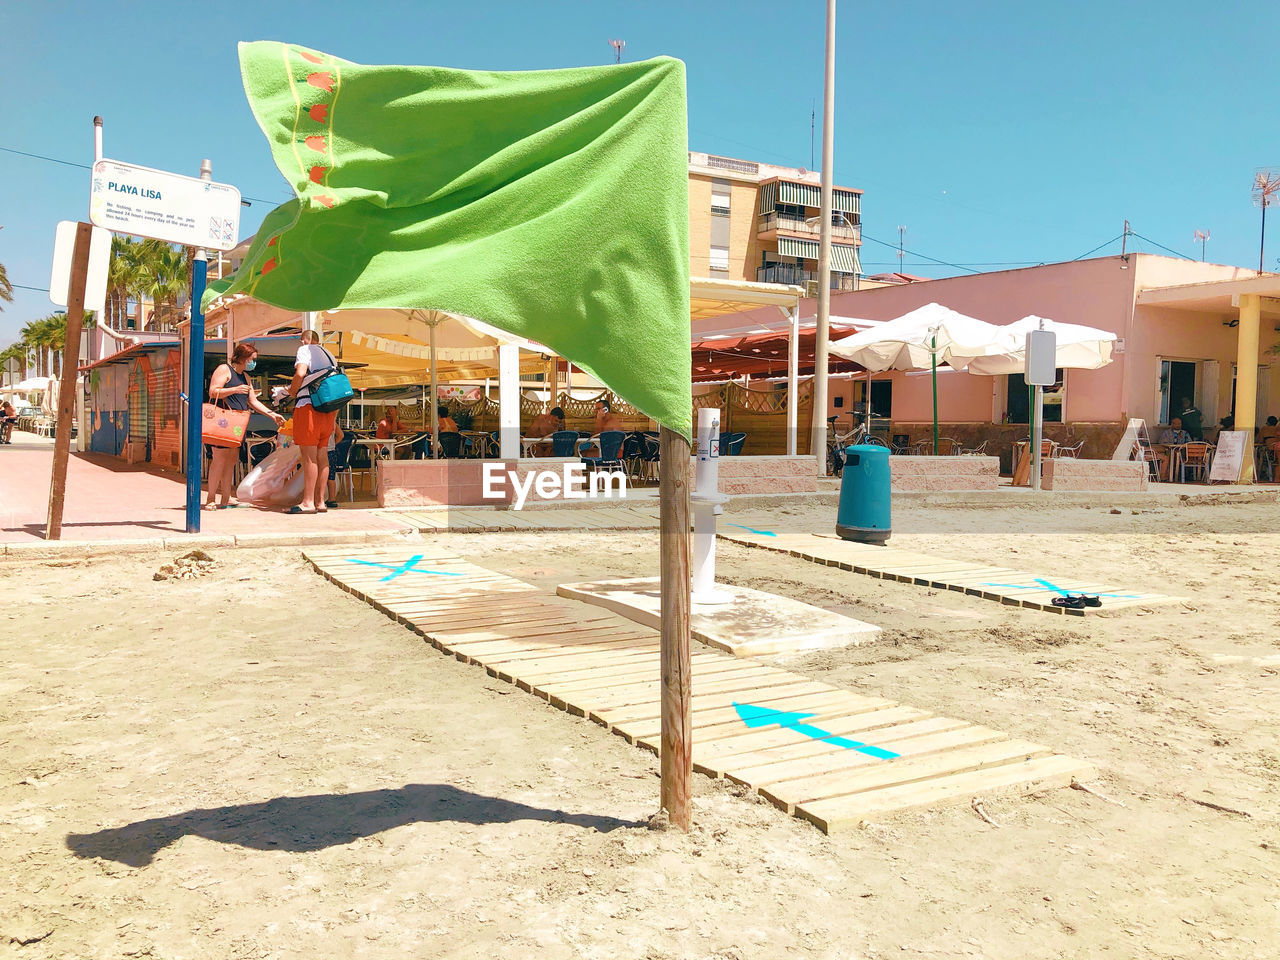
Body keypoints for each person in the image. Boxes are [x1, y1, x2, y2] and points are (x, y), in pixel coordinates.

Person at [205, 343, 285, 509]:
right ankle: (211, 498)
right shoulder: (224, 370)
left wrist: (272, 414)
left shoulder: (246, 378)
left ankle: (226, 497)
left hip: (237, 423)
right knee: (219, 459)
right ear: (242, 358)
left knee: (231, 461)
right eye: (252, 359)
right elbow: (213, 391)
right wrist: (234, 389)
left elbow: (253, 401)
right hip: (223, 421)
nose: (253, 363)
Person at [288, 330, 339, 514]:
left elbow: (300, 372)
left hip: (308, 407)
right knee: (322, 456)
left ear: (306, 340)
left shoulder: (305, 350)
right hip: (327, 412)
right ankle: (320, 501)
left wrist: (291, 391)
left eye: (302, 339)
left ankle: (307, 502)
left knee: (309, 457)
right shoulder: (331, 356)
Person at [1153, 416, 1191, 482]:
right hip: (1169, 451)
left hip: (1182, 452)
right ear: (1172, 424)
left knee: (1183, 455)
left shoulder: (1185, 433)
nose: (1178, 425)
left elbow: (1189, 443)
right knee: (1168, 455)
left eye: (1180, 423)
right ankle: (1169, 476)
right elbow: (1162, 442)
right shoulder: (1166, 433)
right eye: (1176, 423)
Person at [325, 421, 346, 509]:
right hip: (331, 451)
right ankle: (332, 499)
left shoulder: (318, 420)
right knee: (331, 477)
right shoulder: (332, 422)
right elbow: (341, 435)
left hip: (321, 450)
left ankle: (317, 499)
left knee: (320, 476)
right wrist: (333, 443)